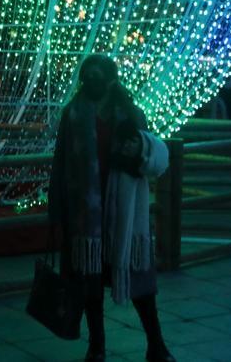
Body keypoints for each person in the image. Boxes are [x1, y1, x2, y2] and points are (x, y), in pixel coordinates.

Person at [49, 55, 174, 362]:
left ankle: (156, 344)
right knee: (89, 281)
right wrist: (57, 214)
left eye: (98, 75)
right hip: (85, 213)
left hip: (125, 210)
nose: (92, 80)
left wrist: (135, 154)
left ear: (111, 78)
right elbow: (61, 163)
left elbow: (146, 155)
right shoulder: (73, 115)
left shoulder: (130, 113)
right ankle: (97, 345)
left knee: (141, 283)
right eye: (87, 75)